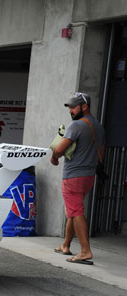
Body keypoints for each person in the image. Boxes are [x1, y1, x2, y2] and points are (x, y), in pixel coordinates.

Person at [50, 92, 105, 265]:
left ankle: (85, 251)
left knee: (76, 212)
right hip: (88, 175)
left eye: (73, 107)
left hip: (73, 176)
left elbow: (60, 149)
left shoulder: (76, 126)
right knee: (73, 210)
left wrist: (54, 157)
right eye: (70, 108)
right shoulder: (97, 125)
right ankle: (65, 245)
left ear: (84, 106)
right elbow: (101, 150)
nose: (71, 111)